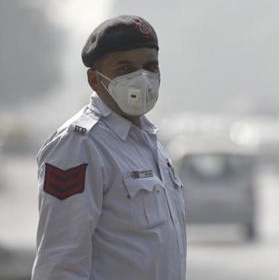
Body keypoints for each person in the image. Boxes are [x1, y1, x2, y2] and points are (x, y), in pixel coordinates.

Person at [32, 15, 186, 280]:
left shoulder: (149, 142)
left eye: (151, 67)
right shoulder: (79, 145)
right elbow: (59, 264)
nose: (143, 78)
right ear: (94, 79)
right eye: (125, 69)